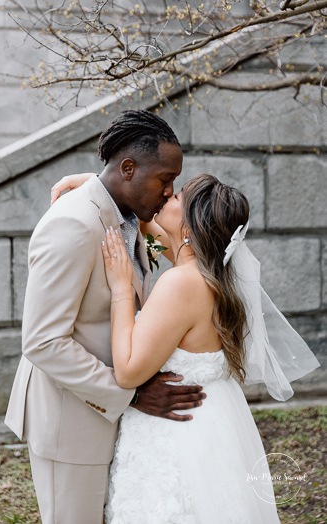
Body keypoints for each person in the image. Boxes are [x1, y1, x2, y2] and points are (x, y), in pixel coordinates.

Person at [54, 172, 319, 521]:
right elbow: (150, 235)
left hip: (178, 435)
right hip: (211, 423)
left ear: (191, 228)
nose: (167, 197)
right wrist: (100, 183)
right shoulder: (205, 272)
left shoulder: (180, 284)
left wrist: (121, 288)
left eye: (177, 197)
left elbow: (129, 368)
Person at [4, 110, 207, 523]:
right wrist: (131, 393)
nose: (169, 193)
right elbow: (43, 342)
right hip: (70, 423)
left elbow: (165, 257)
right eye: (164, 180)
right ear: (128, 168)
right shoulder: (73, 225)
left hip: (106, 417)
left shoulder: (129, 216)